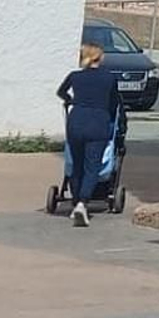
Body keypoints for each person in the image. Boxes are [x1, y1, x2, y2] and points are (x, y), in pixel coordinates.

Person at [56, 43, 122, 228]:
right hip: (98, 122)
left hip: (76, 121)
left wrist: (71, 101)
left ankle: (75, 200)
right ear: (99, 58)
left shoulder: (75, 76)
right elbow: (114, 102)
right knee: (92, 166)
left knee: (76, 165)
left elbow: (61, 92)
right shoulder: (108, 78)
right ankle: (82, 203)